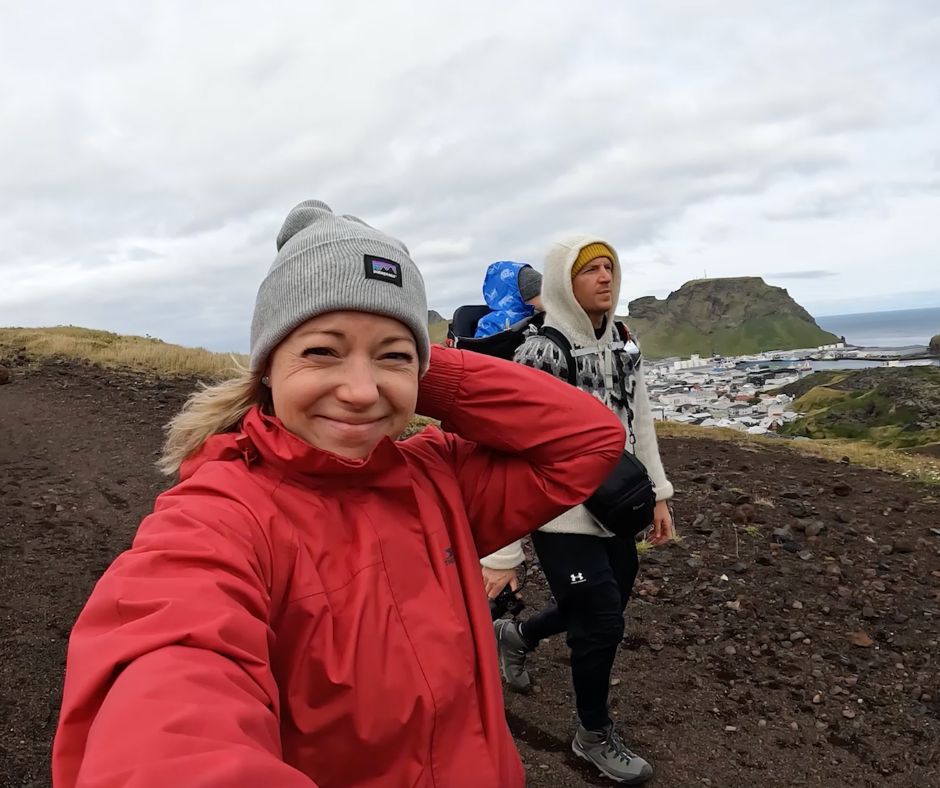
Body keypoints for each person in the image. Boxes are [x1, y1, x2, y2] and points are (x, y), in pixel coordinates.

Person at [51, 201, 626, 788]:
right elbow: (165, 722)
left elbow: (588, 440)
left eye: (393, 356)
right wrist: (389, 359)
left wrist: (416, 373)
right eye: (322, 351)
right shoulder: (218, 518)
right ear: (268, 367)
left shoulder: (438, 478)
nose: (359, 391)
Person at [482, 237, 674, 785]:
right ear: (564, 281)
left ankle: (515, 637)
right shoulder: (540, 352)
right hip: (560, 510)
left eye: (609, 266)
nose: (605, 277)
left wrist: (658, 494)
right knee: (601, 618)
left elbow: (640, 418)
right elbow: (511, 445)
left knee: (601, 600)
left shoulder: (623, 340)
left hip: (615, 505)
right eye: (590, 269)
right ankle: (592, 734)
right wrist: (502, 549)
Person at [473, 261, 543, 338]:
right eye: (541, 293)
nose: (548, 298)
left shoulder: (540, 316)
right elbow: (480, 344)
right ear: (523, 296)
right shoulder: (492, 322)